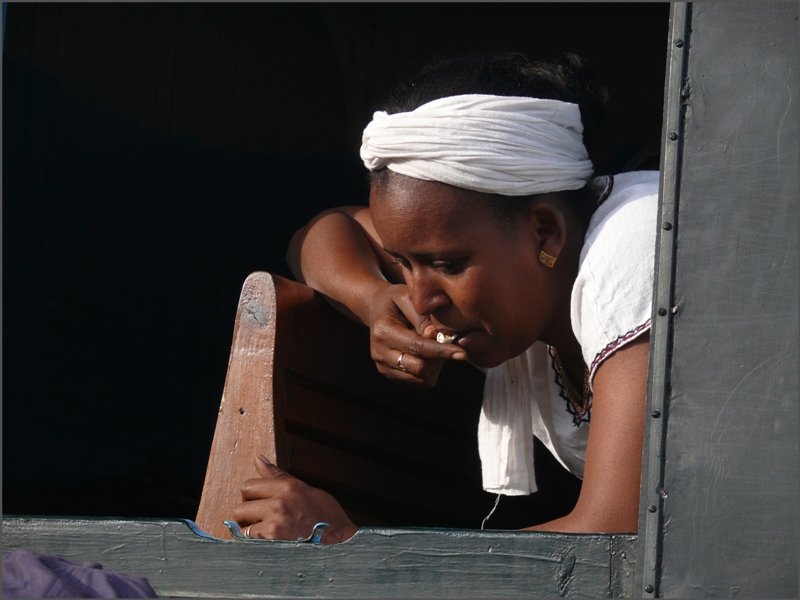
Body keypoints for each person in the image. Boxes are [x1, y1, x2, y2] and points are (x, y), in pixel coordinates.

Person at [232, 51, 658, 543]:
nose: (423, 298)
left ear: (545, 231)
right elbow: (326, 231)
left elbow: (610, 537)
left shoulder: (634, 238)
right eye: (405, 263)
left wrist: (347, 548)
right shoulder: (521, 266)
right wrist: (372, 298)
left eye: (448, 265)